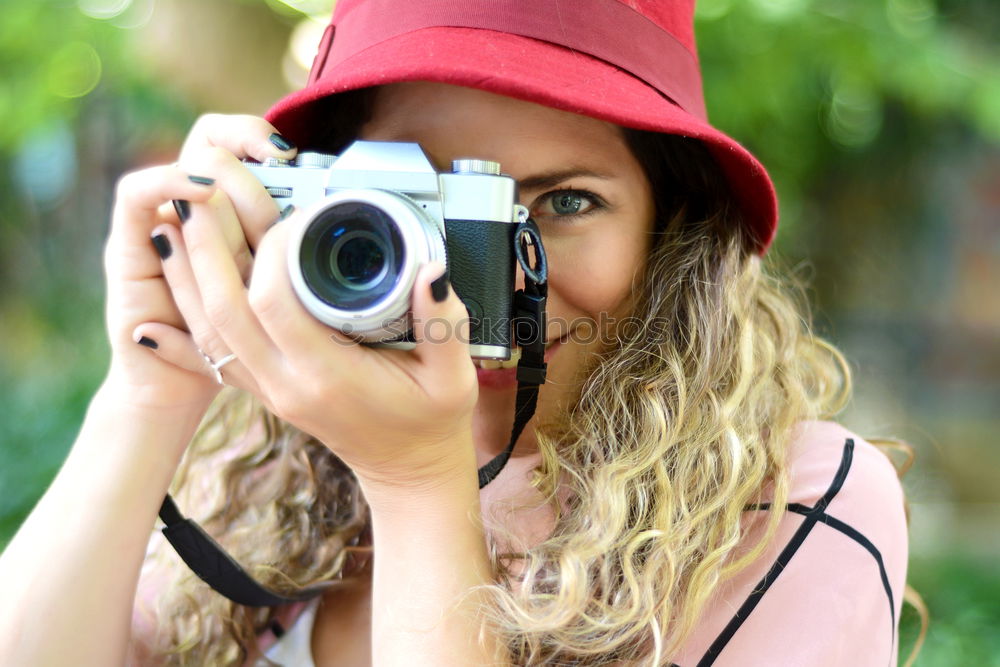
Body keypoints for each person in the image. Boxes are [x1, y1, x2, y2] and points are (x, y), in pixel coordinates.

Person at [0, 1, 911, 665]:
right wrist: (149, 388)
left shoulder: (788, 502)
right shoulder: (272, 472)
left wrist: (415, 479)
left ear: (671, 235)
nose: (481, 284)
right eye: (421, 205)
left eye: (564, 202)